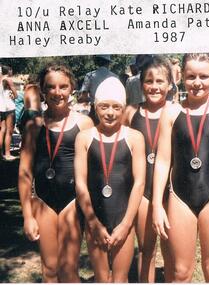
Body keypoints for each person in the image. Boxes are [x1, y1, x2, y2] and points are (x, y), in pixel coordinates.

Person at [152, 53, 209, 282]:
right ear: (181, 76)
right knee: (180, 271)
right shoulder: (171, 112)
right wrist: (156, 205)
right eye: (191, 76)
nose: (197, 82)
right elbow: (163, 161)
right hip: (179, 198)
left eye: (204, 76)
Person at [18, 63, 93, 282]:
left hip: (73, 201)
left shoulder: (84, 123)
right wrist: (27, 215)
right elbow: (24, 172)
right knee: (49, 269)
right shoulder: (34, 126)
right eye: (51, 87)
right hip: (43, 202)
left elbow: (95, 169)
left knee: (69, 269)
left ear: (72, 88)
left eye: (63, 86)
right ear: (43, 90)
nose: (57, 93)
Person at [74, 76, 146, 282]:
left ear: (123, 108)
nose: (110, 112)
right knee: (101, 278)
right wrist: (92, 222)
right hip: (94, 218)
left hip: (124, 217)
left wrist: (126, 224)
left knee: (120, 279)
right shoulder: (85, 137)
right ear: (95, 107)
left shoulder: (134, 137)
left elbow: (139, 182)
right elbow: (80, 182)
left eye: (116, 107)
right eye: (104, 106)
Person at [123, 55, 173, 282]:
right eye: (149, 81)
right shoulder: (131, 112)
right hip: (142, 191)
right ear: (141, 84)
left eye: (160, 81)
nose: (154, 86)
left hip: (173, 191)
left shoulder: (177, 111)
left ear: (170, 84)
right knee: (146, 249)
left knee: (172, 251)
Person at [80, 54, 118, 124]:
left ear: (97, 62)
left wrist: (91, 98)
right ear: (108, 63)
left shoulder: (89, 76)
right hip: (110, 111)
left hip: (94, 110)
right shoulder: (115, 76)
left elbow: (83, 97)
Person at [0, 65, 18, 160]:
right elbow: (16, 95)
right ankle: (7, 153)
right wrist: (13, 94)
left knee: (2, 130)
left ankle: (1, 153)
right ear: (9, 71)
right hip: (9, 107)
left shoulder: (0, 79)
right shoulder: (9, 80)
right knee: (9, 131)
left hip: (1, 107)